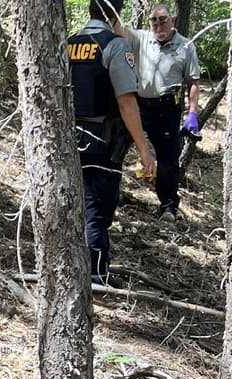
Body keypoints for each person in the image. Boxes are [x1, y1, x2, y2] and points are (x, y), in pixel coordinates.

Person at [69, 0, 156, 280]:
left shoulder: (67, 43)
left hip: (67, 140)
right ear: (115, 14)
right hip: (101, 144)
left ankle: (78, 268)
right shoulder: (114, 46)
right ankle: (94, 277)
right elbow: (126, 101)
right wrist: (144, 149)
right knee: (96, 210)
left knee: (74, 206)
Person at [120, 4, 200, 223]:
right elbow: (118, 28)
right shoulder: (142, 38)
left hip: (166, 109)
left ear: (172, 20)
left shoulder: (185, 46)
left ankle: (168, 206)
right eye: (154, 20)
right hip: (138, 105)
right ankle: (111, 191)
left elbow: (193, 82)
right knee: (117, 146)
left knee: (167, 159)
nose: (158, 24)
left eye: (162, 19)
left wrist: (192, 113)